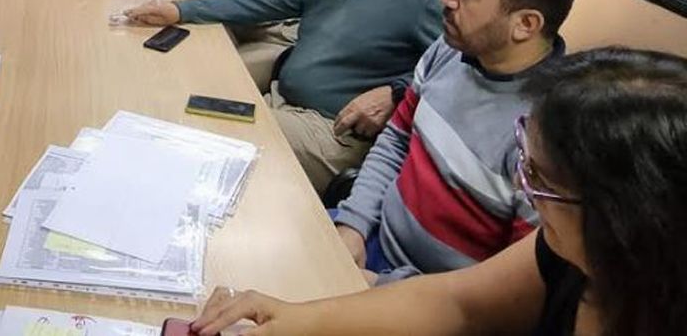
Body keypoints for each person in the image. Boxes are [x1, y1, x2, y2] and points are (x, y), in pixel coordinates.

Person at [189, 47, 687, 336]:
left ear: (623, 216)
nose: (522, 188)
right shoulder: (563, 249)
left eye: (539, 179)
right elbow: (456, 302)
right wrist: (295, 318)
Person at [126, 0, 443, 193]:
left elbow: (458, 68)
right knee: (192, 105)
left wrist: (396, 92)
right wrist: (180, 11)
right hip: (284, 98)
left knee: (210, 140)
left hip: (330, 128)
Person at [334, 0, 578, 284]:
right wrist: (353, 224)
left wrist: (382, 288)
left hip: (430, 301)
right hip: (372, 239)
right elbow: (397, 140)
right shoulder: (451, 50)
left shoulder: (550, 138)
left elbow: (506, 297)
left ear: (525, 24)